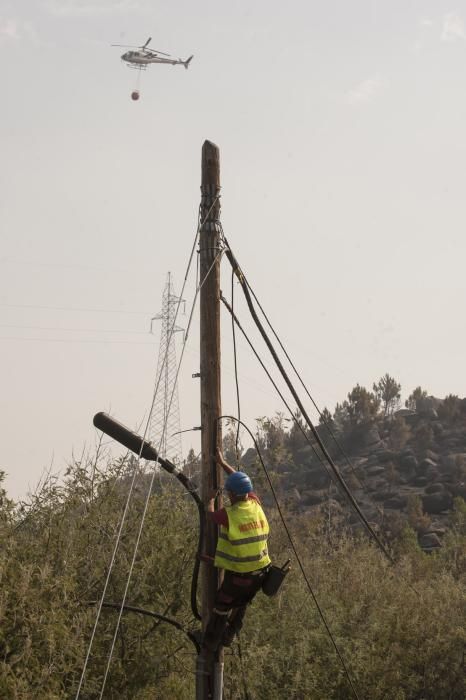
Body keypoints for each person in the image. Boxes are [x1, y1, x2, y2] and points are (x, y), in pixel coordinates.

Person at [202, 449, 271, 652]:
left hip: (240, 577)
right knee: (243, 602)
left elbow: (209, 516)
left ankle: (209, 644)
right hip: (261, 573)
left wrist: (210, 499)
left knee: (221, 606)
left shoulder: (229, 515)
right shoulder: (255, 504)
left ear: (231, 494)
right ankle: (229, 636)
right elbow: (241, 483)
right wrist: (223, 463)